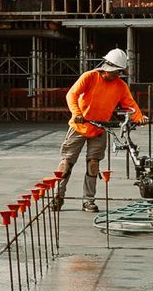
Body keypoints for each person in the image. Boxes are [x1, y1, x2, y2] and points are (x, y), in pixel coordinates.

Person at [54, 48, 145, 211]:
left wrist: (139, 118)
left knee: (93, 164)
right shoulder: (89, 77)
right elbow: (71, 95)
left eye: (119, 72)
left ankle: (88, 200)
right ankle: (57, 196)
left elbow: (129, 104)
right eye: (116, 72)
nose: (118, 75)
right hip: (79, 126)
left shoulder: (120, 86)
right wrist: (77, 113)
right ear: (107, 67)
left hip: (100, 128)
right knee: (67, 162)